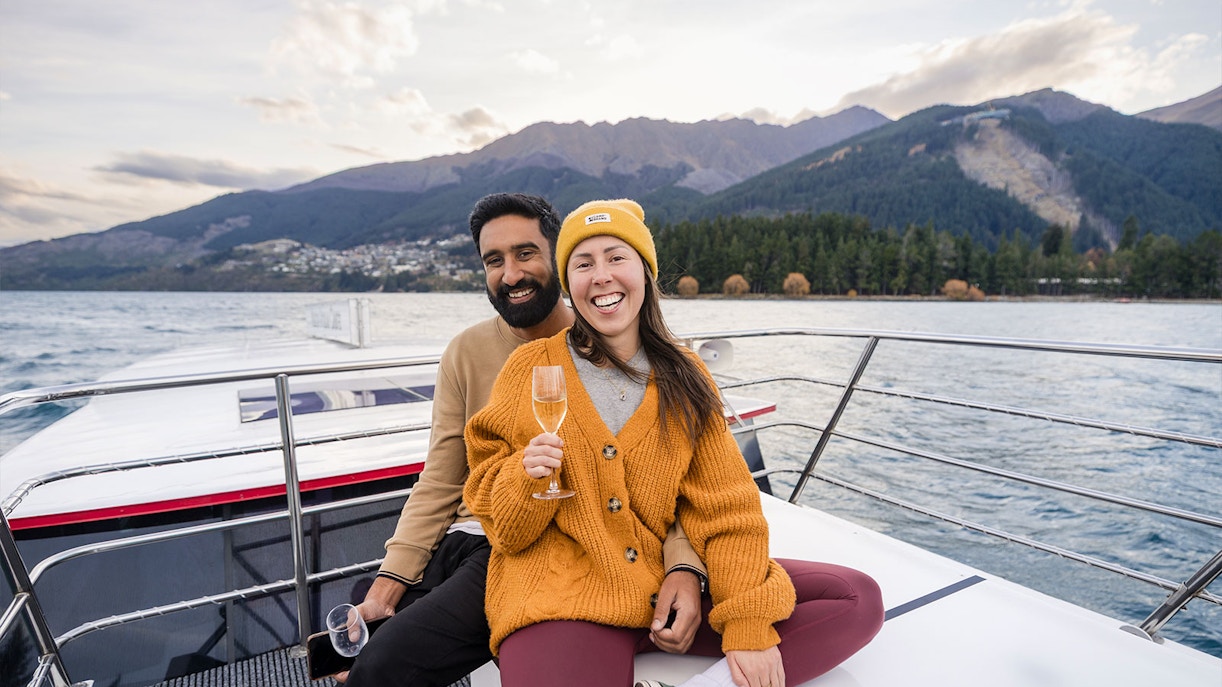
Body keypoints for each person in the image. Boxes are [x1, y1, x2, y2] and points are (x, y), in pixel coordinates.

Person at [464, 199, 884, 687]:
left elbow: (726, 508)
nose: (601, 276)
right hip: (564, 601)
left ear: (645, 271)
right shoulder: (530, 368)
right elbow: (503, 527)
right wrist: (524, 477)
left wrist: (739, 618)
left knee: (855, 598)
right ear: (570, 285)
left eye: (616, 257)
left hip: (663, 589)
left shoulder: (686, 374)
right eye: (583, 264)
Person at [342, 193, 707, 687]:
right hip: (462, 531)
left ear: (558, 258)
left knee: (381, 666)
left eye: (525, 253)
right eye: (494, 261)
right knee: (356, 626)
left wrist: (683, 566)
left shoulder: (607, 340)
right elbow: (441, 478)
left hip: (518, 543)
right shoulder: (466, 351)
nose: (510, 274)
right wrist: (390, 584)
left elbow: (677, 481)